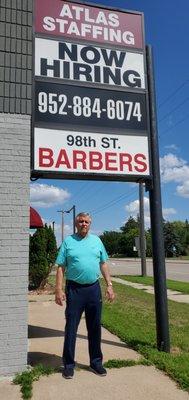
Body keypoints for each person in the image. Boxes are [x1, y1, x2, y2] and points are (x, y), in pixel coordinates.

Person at [55, 212, 115, 379]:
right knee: (71, 327)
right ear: (76, 223)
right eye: (80, 221)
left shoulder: (97, 241)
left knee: (95, 327)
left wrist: (109, 285)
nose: (83, 224)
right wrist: (58, 289)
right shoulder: (68, 242)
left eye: (86, 221)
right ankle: (68, 364)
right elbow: (60, 267)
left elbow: (103, 264)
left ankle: (96, 363)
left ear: (90, 223)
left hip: (93, 289)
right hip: (74, 290)